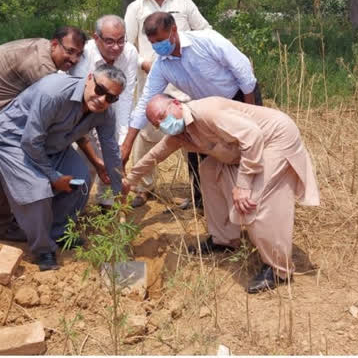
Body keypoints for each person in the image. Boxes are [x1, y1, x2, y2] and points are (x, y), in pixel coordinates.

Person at [124, 94, 319, 293]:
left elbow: (252, 137)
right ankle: (223, 240)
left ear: (175, 103)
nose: (163, 124)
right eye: (157, 124)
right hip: (243, 150)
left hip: (274, 139)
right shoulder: (181, 133)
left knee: (253, 200)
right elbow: (155, 155)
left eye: (162, 116)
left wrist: (243, 185)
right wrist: (128, 181)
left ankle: (279, 270)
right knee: (208, 169)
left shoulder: (208, 112)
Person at [0, 26, 87, 241]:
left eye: (78, 54)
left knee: (0, 164)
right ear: (55, 44)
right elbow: (51, 117)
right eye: (70, 51)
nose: (73, 59)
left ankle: (14, 218)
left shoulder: (44, 49)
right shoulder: (41, 67)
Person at [0, 65, 128, 271]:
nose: (102, 100)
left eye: (111, 98)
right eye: (100, 90)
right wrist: (53, 176)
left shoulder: (105, 114)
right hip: (14, 139)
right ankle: (42, 249)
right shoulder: (53, 93)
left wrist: (119, 187)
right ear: (89, 79)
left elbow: (111, 151)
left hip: (51, 143)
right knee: (38, 191)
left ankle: (57, 234)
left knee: (81, 179)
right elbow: (30, 142)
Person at [120, 11, 262, 208]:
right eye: (153, 43)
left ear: (174, 30)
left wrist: (249, 113)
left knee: (249, 149)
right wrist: (127, 145)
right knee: (200, 157)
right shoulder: (162, 66)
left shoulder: (207, 41)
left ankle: (255, 199)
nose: (158, 47)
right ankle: (205, 204)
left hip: (240, 97)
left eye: (161, 40)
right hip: (206, 110)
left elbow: (245, 74)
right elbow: (146, 101)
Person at [124, 0, 212, 208]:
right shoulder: (136, 8)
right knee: (147, 134)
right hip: (153, 84)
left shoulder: (183, 3)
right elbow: (128, 47)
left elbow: (205, 31)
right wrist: (143, 62)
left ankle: (200, 194)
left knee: (193, 137)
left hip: (186, 84)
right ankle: (142, 188)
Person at [69, 15, 138, 207]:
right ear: (96, 38)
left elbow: (126, 97)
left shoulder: (130, 52)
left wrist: (123, 141)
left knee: (115, 157)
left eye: (120, 40)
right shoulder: (85, 55)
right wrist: (96, 154)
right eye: (109, 41)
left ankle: (107, 203)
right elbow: (83, 98)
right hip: (83, 109)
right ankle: (74, 210)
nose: (116, 47)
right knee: (86, 163)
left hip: (112, 108)